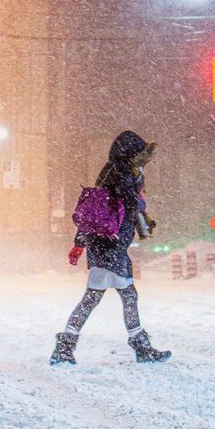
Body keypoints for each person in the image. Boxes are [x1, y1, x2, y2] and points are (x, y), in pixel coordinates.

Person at [51, 130, 171, 365]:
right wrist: (140, 196)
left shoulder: (111, 171)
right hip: (111, 246)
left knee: (109, 297)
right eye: (139, 154)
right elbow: (129, 200)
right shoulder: (121, 171)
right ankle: (67, 347)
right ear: (130, 153)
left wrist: (79, 244)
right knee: (110, 297)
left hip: (106, 245)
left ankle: (66, 346)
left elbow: (94, 212)